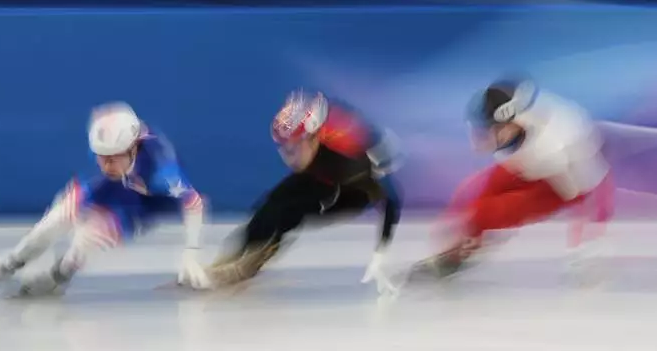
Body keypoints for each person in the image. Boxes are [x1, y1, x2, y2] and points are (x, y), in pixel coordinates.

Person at [0, 102, 211, 296]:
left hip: (139, 206)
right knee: (52, 223)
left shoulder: (161, 169)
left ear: (134, 148)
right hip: (107, 188)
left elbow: (194, 202)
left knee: (81, 245)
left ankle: (58, 277)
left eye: (113, 157)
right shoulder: (109, 158)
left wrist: (191, 254)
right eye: (101, 156)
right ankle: (8, 265)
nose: (107, 164)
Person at [410, 77, 613, 280]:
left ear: (512, 122)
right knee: (472, 196)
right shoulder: (527, 122)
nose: (483, 137)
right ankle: (464, 246)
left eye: (493, 129)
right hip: (542, 164)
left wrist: (584, 250)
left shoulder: (553, 147)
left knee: (482, 213)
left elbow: (587, 190)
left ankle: (461, 252)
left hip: (564, 185)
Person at [208, 89, 403, 295]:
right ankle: (228, 259)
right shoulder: (310, 150)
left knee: (292, 211)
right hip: (322, 174)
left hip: (350, 194)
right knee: (271, 202)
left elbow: (392, 198)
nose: (287, 157)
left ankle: (249, 265)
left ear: (312, 139)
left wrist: (380, 255)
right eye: (282, 148)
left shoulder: (348, 163)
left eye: (292, 149)